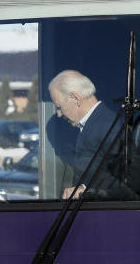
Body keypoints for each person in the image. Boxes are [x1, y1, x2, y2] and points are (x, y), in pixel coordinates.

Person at [47, 70, 121, 199]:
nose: (58, 114)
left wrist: (84, 189)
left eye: (59, 106)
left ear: (75, 98)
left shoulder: (108, 126)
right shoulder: (94, 125)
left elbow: (124, 181)